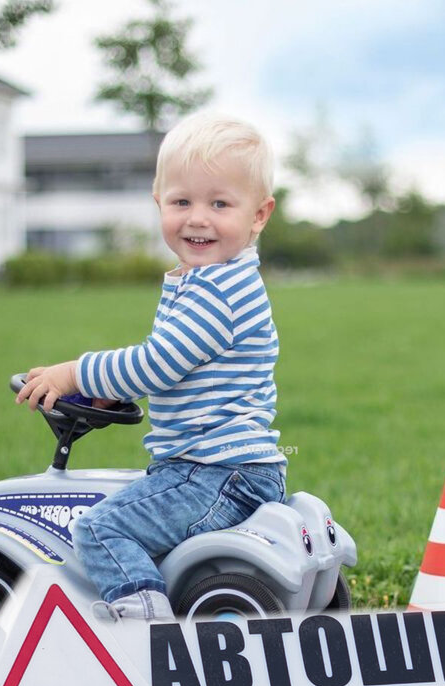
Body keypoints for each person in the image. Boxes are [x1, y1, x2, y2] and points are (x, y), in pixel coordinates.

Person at [16, 112, 285, 620]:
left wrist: (74, 374)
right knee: (132, 501)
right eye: (182, 201)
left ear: (258, 215)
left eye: (220, 203)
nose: (197, 218)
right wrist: (109, 394)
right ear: (158, 202)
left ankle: (142, 621)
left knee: (100, 527)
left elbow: (156, 364)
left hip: (214, 471)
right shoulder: (207, 281)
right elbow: (180, 369)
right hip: (221, 469)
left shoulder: (219, 290)